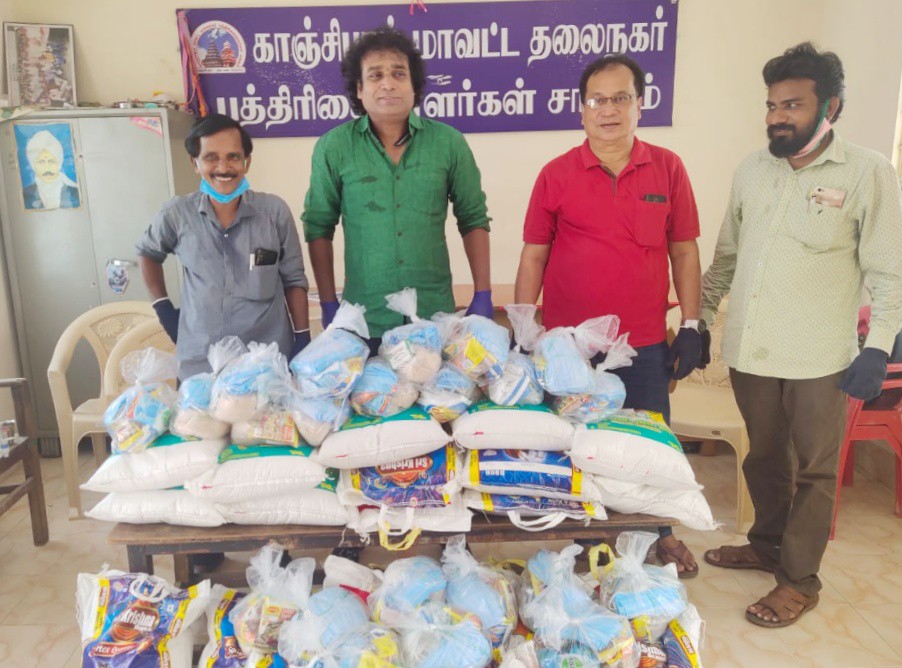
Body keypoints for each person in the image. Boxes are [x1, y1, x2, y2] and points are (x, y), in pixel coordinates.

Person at [700, 43, 902, 627]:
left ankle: (799, 580)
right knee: (764, 457)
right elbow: (726, 257)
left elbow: (889, 271)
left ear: (829, 106)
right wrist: (697, 320)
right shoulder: (752, 170)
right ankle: (766, 545)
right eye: (772, 105)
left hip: (819, 358)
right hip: (751, 351)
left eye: (792, 105)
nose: (777, 117)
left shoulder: (867, 172)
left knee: (814, 470)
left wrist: (878, 346)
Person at [514, 54, 704, 577]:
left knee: (650, 443)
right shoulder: (555, 175)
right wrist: (525, 330)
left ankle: (661, 532)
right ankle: (584, 536)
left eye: (621, 98)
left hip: (643, 343)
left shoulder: (668, 167)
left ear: (640, 104)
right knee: (576, 443)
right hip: (569, 349)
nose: (609, 110)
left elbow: (684, 250)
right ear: (582, 110)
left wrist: (692, 324)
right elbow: (533, 257)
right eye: (597, 100)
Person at [302, 26, 492, 351]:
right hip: (364, 318)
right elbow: (318, 226)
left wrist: (483, 292)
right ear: (359, 89)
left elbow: (473, 218)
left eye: (398, 74)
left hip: (433, 316)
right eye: (375, 75)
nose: (388, 84)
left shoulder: (449, 143)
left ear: (414, 86)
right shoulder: (333, 148)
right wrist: (328, 301)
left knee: (436, 386)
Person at [137, 113, 311, 381]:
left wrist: (302, 337)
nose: (223, 167)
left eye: (233, 157)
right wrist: (164, 309)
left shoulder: (273, 213)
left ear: (247, 162)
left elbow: (294, 279)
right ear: (194, 163)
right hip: (201, 366)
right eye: (211, 157)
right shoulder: (177, 214)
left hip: (266, 365)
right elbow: (148, 253)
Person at [23, 130, 80, 210]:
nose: (47, 168)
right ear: (33, 164)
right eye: (41, 162)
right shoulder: (25, 195)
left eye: (51, 161)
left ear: (59, 162)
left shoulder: (76, 192)